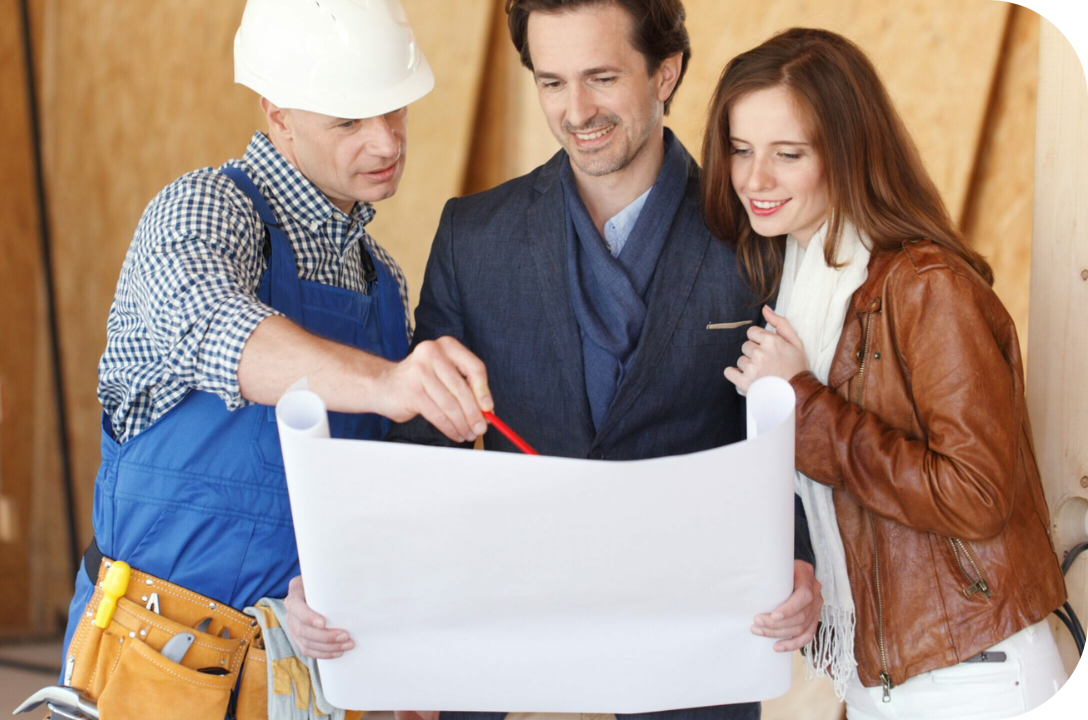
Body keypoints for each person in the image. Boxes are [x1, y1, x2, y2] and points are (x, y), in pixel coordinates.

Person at [288, 1, 824, 718]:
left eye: (601, 77)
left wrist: (802, 560)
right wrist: (346, 586)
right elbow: (421, 445)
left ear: (666, 72)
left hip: (692, 622)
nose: (577, 111)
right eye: (551, 82)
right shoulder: (473, 236)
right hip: (497, 613)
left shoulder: (754, 233)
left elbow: (785, 432)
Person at [60, 0, 495, 671]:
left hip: (291, 676)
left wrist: (328, 584)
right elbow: (208, 323)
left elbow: (350, 499)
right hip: (148, 668)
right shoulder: (205, 209)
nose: (386, 142)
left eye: (396, 109)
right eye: (349, 119)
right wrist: (386, 382)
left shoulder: (384, 284)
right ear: (278, 114)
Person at [708, 28, 1069, 720]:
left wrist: (804, 405)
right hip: (878, 676)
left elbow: (976, 496)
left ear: (846, 155)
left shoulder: (926, 284)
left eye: (788, 154)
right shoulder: (795, 290)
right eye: (741, 150)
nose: (755, 179)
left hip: (972, 675)